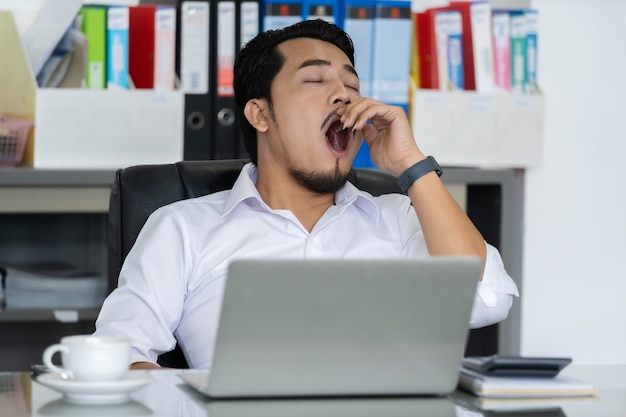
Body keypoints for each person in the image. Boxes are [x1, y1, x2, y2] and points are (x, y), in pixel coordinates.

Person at [94, 19, 519, 370]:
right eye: (315, 78)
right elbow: (118, 354)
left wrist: (412, 165)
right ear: (260, 113)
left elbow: (486, 299)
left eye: (351, 85)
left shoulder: (400, 218)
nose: (343, 94)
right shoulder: (183, 229)